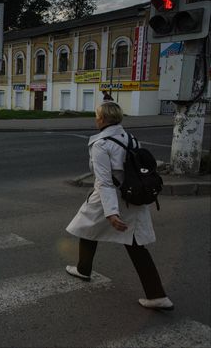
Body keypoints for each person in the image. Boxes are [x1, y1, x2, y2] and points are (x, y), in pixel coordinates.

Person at [65, 102, 173, 310]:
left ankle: (157, 295)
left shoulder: (101, 145)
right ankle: (84, 269)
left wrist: (111, 213)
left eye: (97, 116)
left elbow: (105, 181)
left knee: (91, 227)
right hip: (133, 196)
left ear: (103, 119)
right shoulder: (131, 138)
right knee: (92, 230)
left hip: (111, 197)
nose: (96, 120)